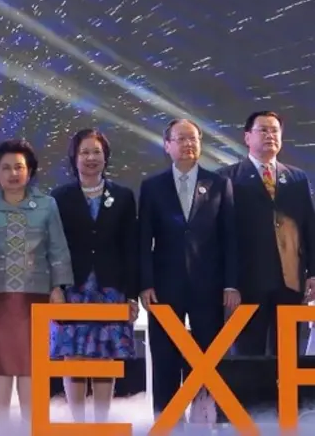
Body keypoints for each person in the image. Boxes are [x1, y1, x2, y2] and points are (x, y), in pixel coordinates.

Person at [138, 119, 239, 421]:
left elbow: (230, 238)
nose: (188, 144)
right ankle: (167, 419)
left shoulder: (219, 184)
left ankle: (205, 415)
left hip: (209, 284)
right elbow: (143, 239)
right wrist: (145, 283)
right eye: (181, 139)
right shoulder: (152, 187)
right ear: (167, 145)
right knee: (164, 353)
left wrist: (231, 283)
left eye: (193, 138)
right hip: (164, 285)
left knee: (208, 351)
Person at [0, 139, 73, 424]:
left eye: (19, 167)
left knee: (30, 362)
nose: (13, 173)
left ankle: (30, 424)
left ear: (30, 171)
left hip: (35, 296)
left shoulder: (47, 205)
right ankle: (3, 424)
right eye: (6, 168)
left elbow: (58, 250)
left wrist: (57, 287)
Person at [49, 128, 139, 423]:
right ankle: (78, 423)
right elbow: (52, 246)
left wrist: (131, 295)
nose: (91, 158)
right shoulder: (59, 197)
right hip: (72, 288)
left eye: (96, 152)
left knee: (104, 354)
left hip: (110, 287)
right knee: (73, 355)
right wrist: (55, 288)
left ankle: (102, 422)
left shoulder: (123, 196)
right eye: (84, 152)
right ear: (74, 158)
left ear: (105, 157)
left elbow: (131, 247)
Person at [218, 111, 315, 356]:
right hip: (247, 282)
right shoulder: (227, 178)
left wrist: (313, 273)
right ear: (247, 137)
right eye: (263, 130)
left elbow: (309, 227)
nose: (270, 135)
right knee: (249, 354)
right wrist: (228, 282)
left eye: (275, 131)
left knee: (287, 354)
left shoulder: (296, 178)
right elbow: (221, 235)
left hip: (290, 281)